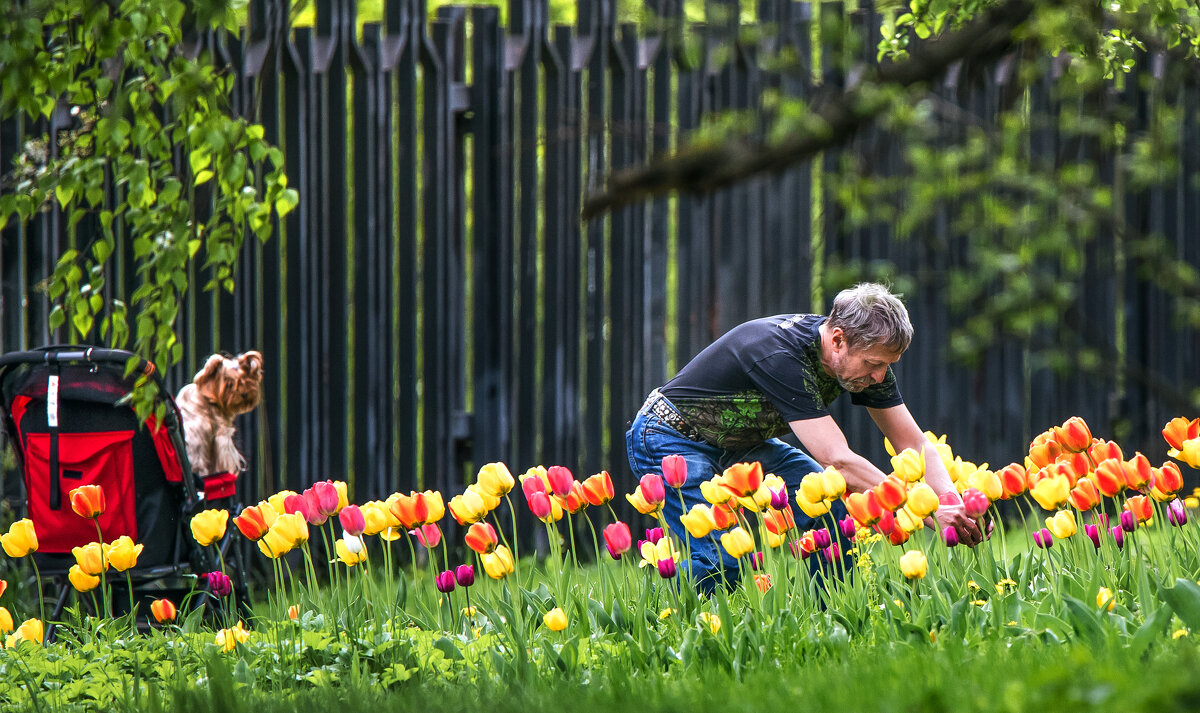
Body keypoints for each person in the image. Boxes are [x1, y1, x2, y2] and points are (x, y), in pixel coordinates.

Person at [625, 282, 984, 594]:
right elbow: (836, 460)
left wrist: (953, 504)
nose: (879, 376)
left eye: (886, 365)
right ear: (839, 340)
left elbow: (916, 444)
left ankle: (827, 618)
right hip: (669, 437)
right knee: (721, 561)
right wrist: (928, 512)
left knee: (832, 512)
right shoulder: (781, 354)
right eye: (873, 364)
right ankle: (656, 608)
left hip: (737, 444)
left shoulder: (867, 360)